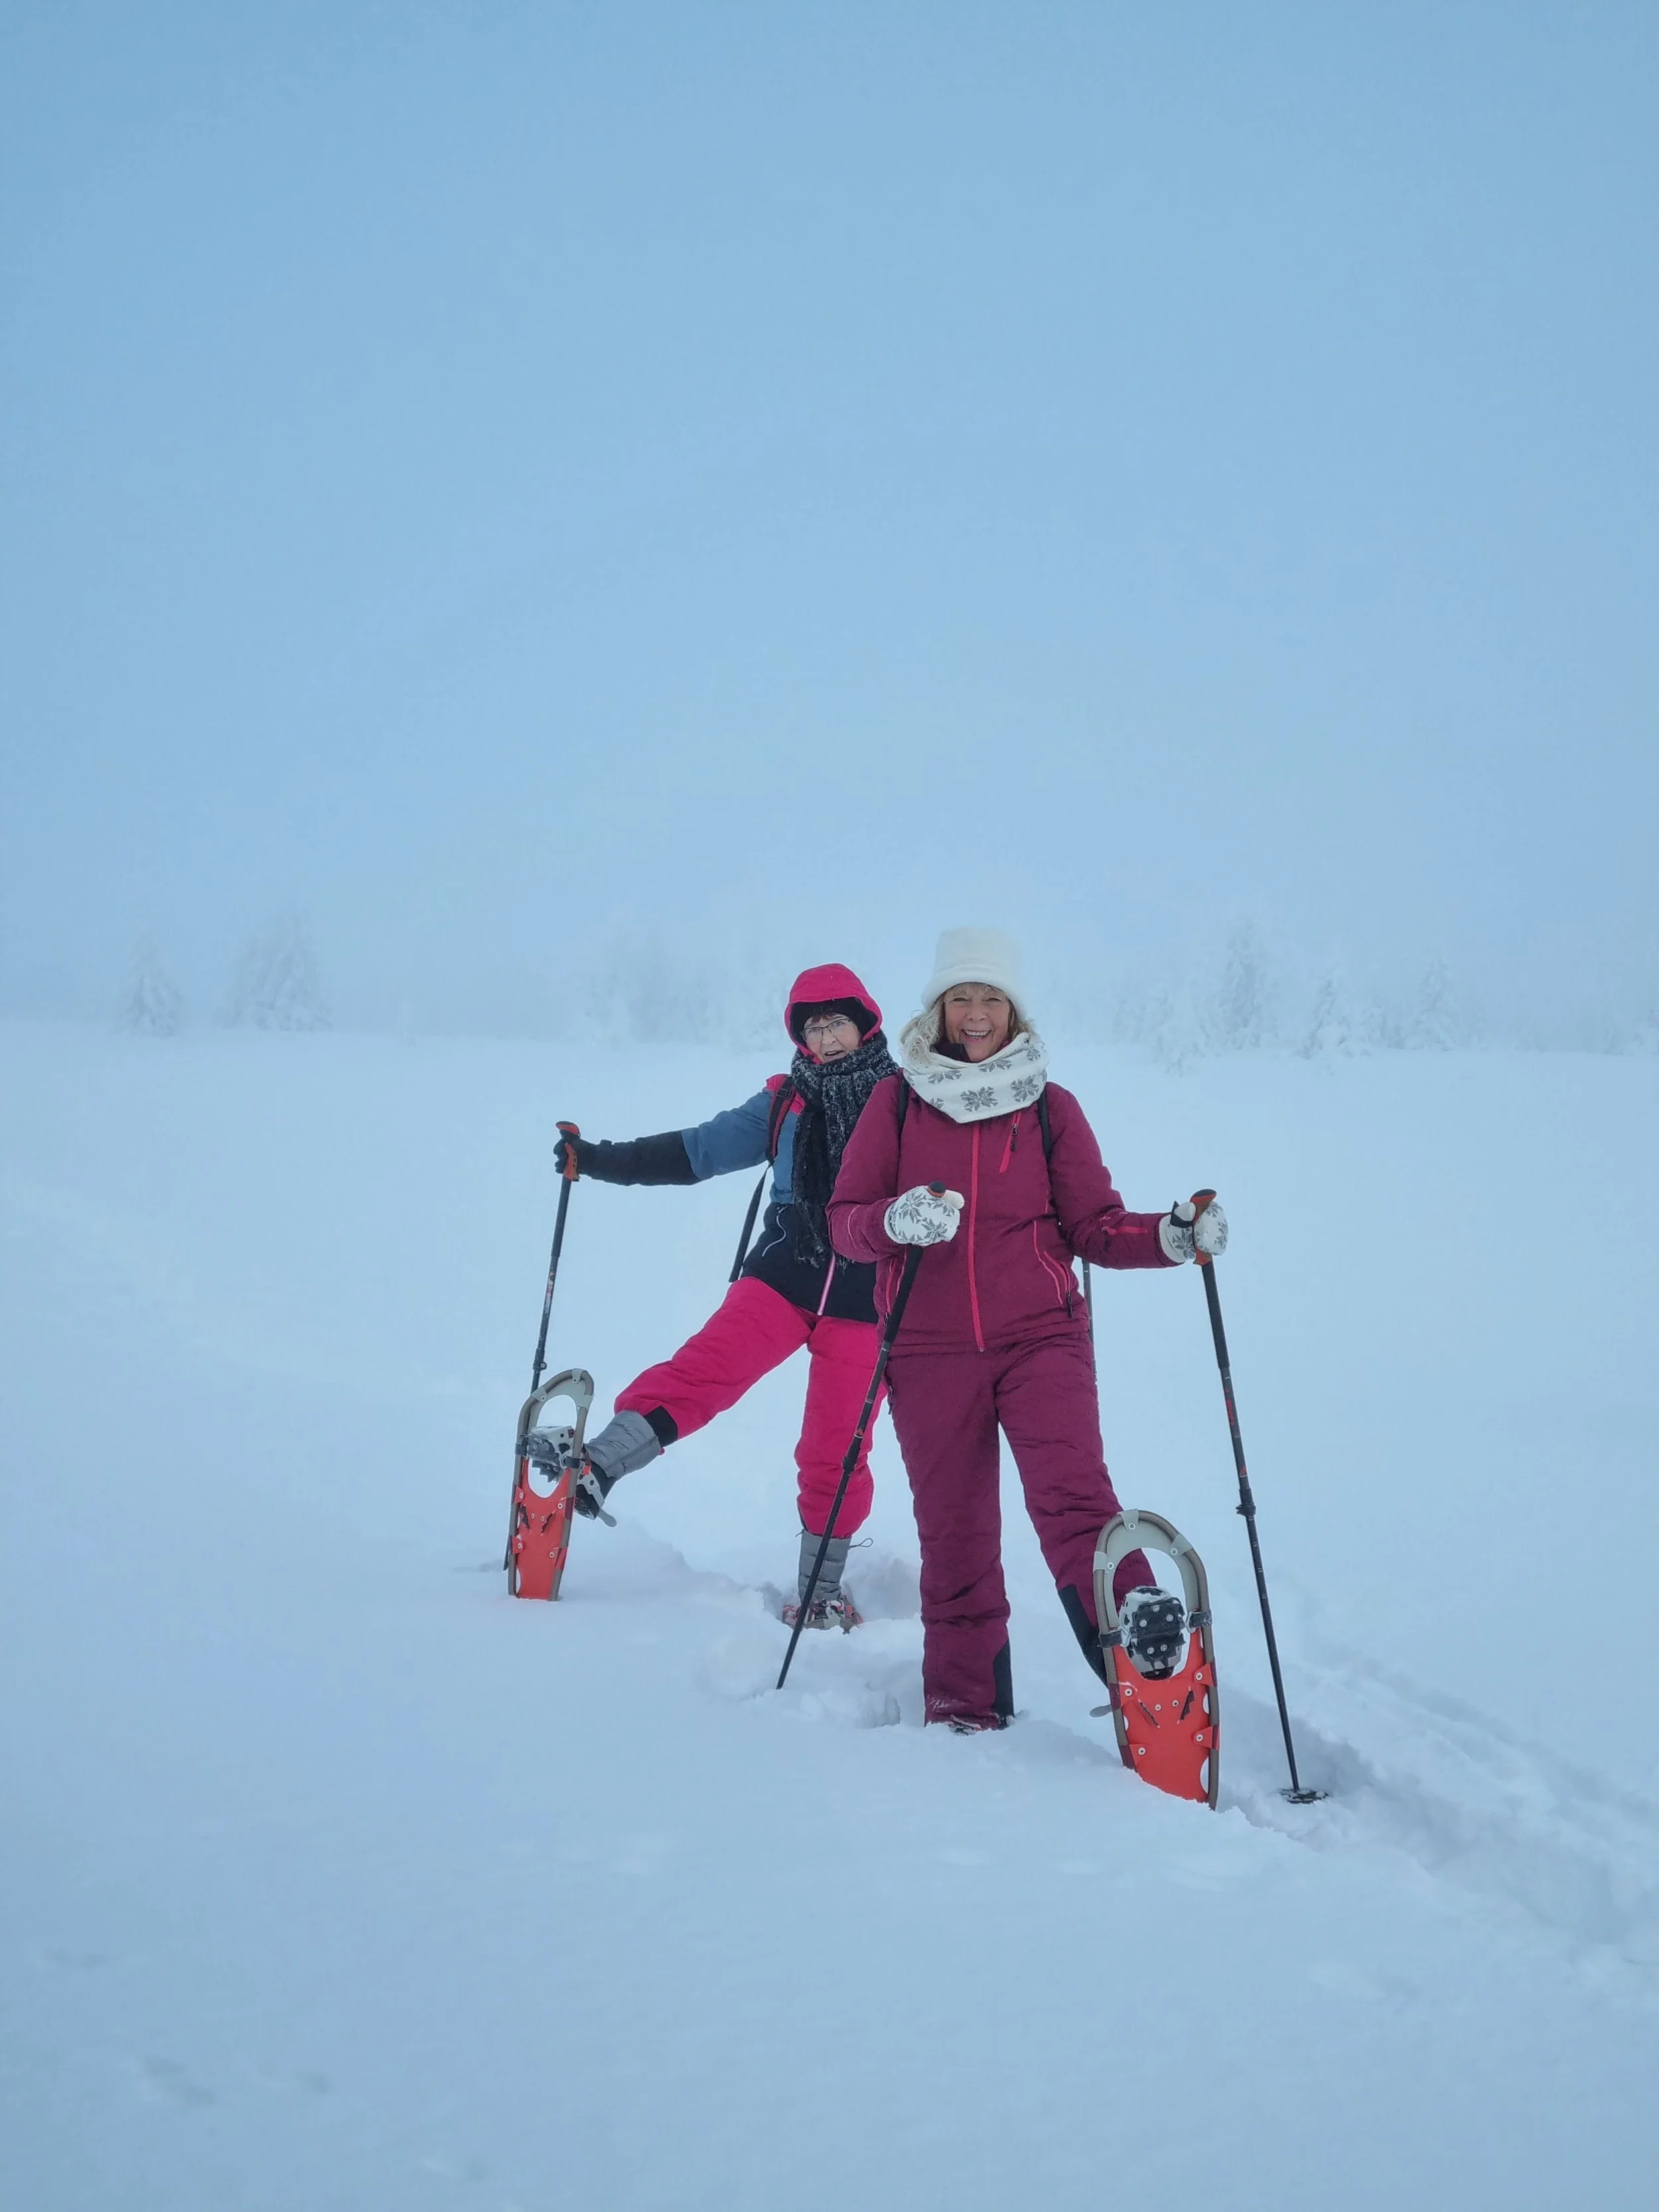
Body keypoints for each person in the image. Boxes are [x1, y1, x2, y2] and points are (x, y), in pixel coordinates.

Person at [828, 926, 1227, 1731]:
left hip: (1039, 1337)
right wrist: (894, 1220)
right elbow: (843, 1225)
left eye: (991, 998)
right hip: (927, 1350)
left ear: (1014, 1010)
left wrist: (1171, 1237)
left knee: (1076, 1503)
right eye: (961, 998)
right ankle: (965, 1712)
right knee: (956, 1537)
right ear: (938, 1009)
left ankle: (1143, 1651)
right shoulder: (897, 1101)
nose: (976, 1014)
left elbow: (1097, 1227)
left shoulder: (1049, 1106)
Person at [552, 963, 899, 1628]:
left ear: (866, 1023)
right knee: (702, 1373)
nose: (826, 1039)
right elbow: (696, 1152)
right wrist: (595, 1159)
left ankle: (820, 1594)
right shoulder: (783, 1104)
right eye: (813, 1028)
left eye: (837, 1024)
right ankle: (595, 1467)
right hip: (782, 1279)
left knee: (836, 1449)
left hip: (868, 1304)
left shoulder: (908, 1105)